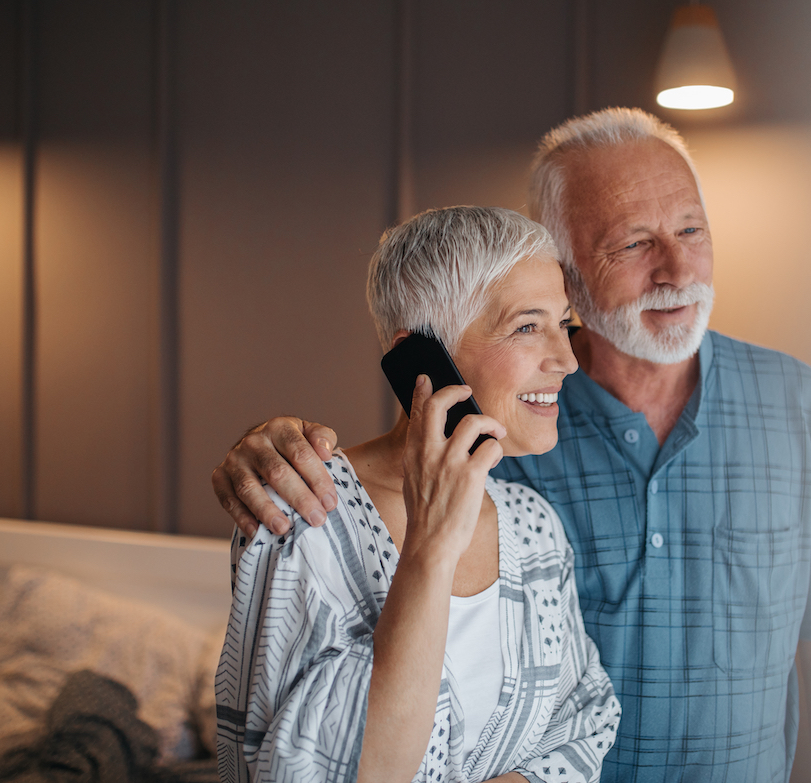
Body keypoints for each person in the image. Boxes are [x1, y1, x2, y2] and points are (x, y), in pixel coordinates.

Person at [215, 109, 811, 783]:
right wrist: (266, 451)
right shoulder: (494, 435)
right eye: (635, 242)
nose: (675, 268)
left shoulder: (796, 406)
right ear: (566, 265)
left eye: (691, 228)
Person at [216, 206, 620, 783]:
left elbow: (585, 718)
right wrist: (431, 547)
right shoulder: (302, 512)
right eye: (528, 327)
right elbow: (322, 769)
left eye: (564, 322)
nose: (567, 359)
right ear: (422, 359)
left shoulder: (534, 526)